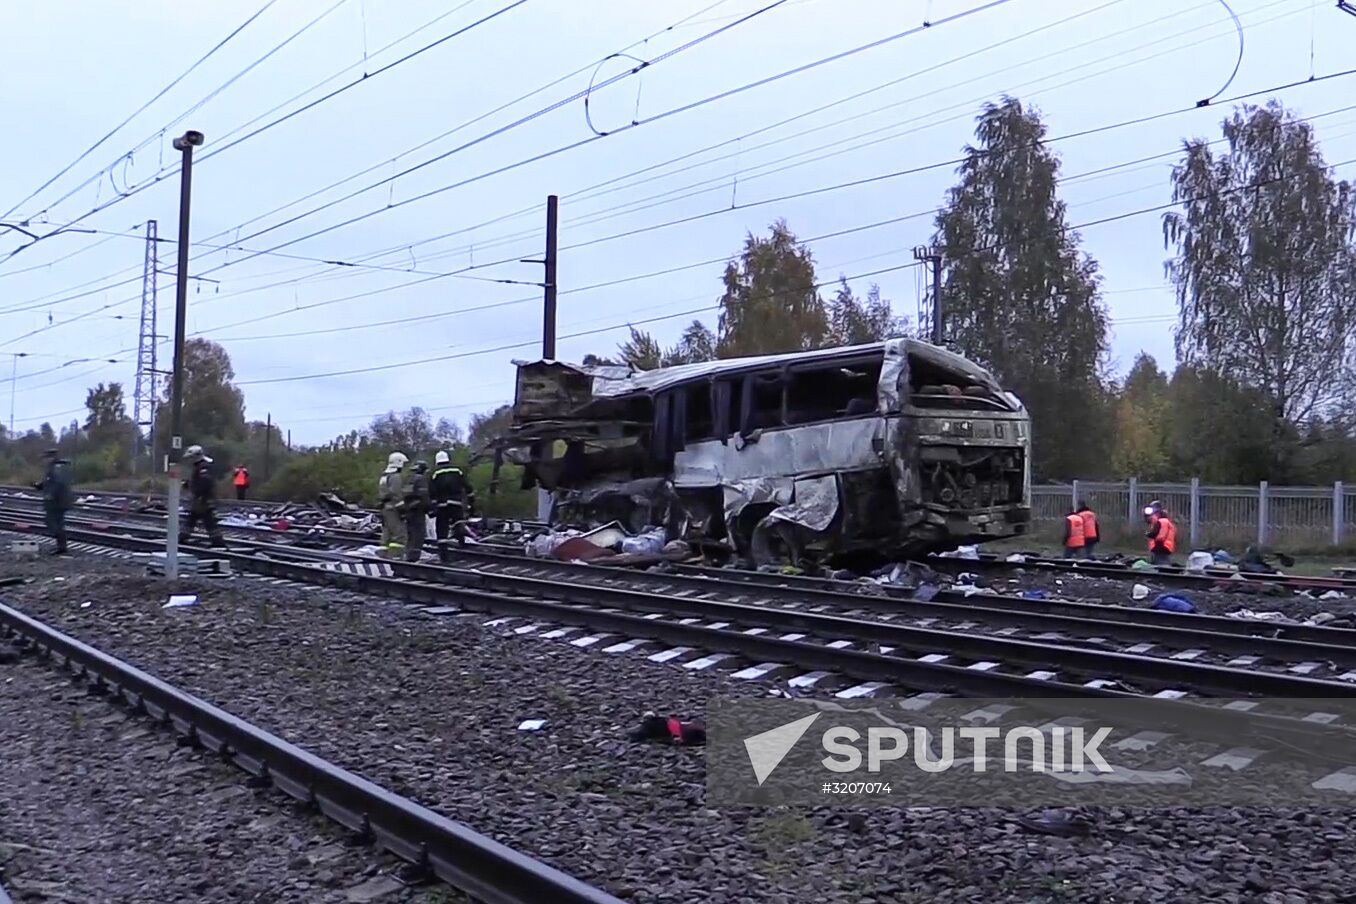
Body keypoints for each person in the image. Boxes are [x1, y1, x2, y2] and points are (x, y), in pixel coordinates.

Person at [179, 445, 226, 547]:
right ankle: (182, 538)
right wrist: (188, 484)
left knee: (206, 521)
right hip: (201, 498)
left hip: (203, 499)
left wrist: (198, 493)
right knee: (195, 519)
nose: (190, 460)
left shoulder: (203, 467)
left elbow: (205, 482)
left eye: (191, 457)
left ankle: (218, 543)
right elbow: (198, 481)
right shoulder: (199, 466)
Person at [33, 448, 72, 556]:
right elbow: (50, 482)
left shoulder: (56, 468)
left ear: (51, 458)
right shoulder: (54, 467)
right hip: (58, 501)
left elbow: (58, 483)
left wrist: (51, 494)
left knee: (52, 522)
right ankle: (61, 546)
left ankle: (61, 547)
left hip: (57, 501)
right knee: (57, 523)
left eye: (45, 458)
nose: (44, 460)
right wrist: (39, 486)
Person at [430, 450, 474, 542]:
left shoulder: (435, 473)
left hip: (442, 505)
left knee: (442, 528)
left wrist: (432, 508)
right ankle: (462, 544)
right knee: (458, 523)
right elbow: (467, 487)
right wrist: (471, 502)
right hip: (456, 503)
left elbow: (432, 491)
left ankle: (443, 551)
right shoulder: (457, 471)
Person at [378, 452, 409, 558]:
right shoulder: (395, 477)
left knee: (386, 534)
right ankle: (395, 558)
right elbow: (397, 494)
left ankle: (383, 556)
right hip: (394, 509)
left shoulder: (384, 476)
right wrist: (403, 510)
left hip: (385, 508)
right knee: (399, 536)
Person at [403, 460, 432, 563]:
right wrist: (429, 508)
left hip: (408, 509)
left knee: (410, 533)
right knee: (419, 533)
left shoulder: (409, 479)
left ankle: (408, 553)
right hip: (417, 510)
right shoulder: (421, 480)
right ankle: (414, 556)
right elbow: (423, 496)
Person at [1144, 500, 1177, 566]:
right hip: (1162, 548)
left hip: (1161, 547)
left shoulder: (1162, 521)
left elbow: (1160, 536)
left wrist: (1149, 534)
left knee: (1161, 566)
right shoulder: (1163, 521)